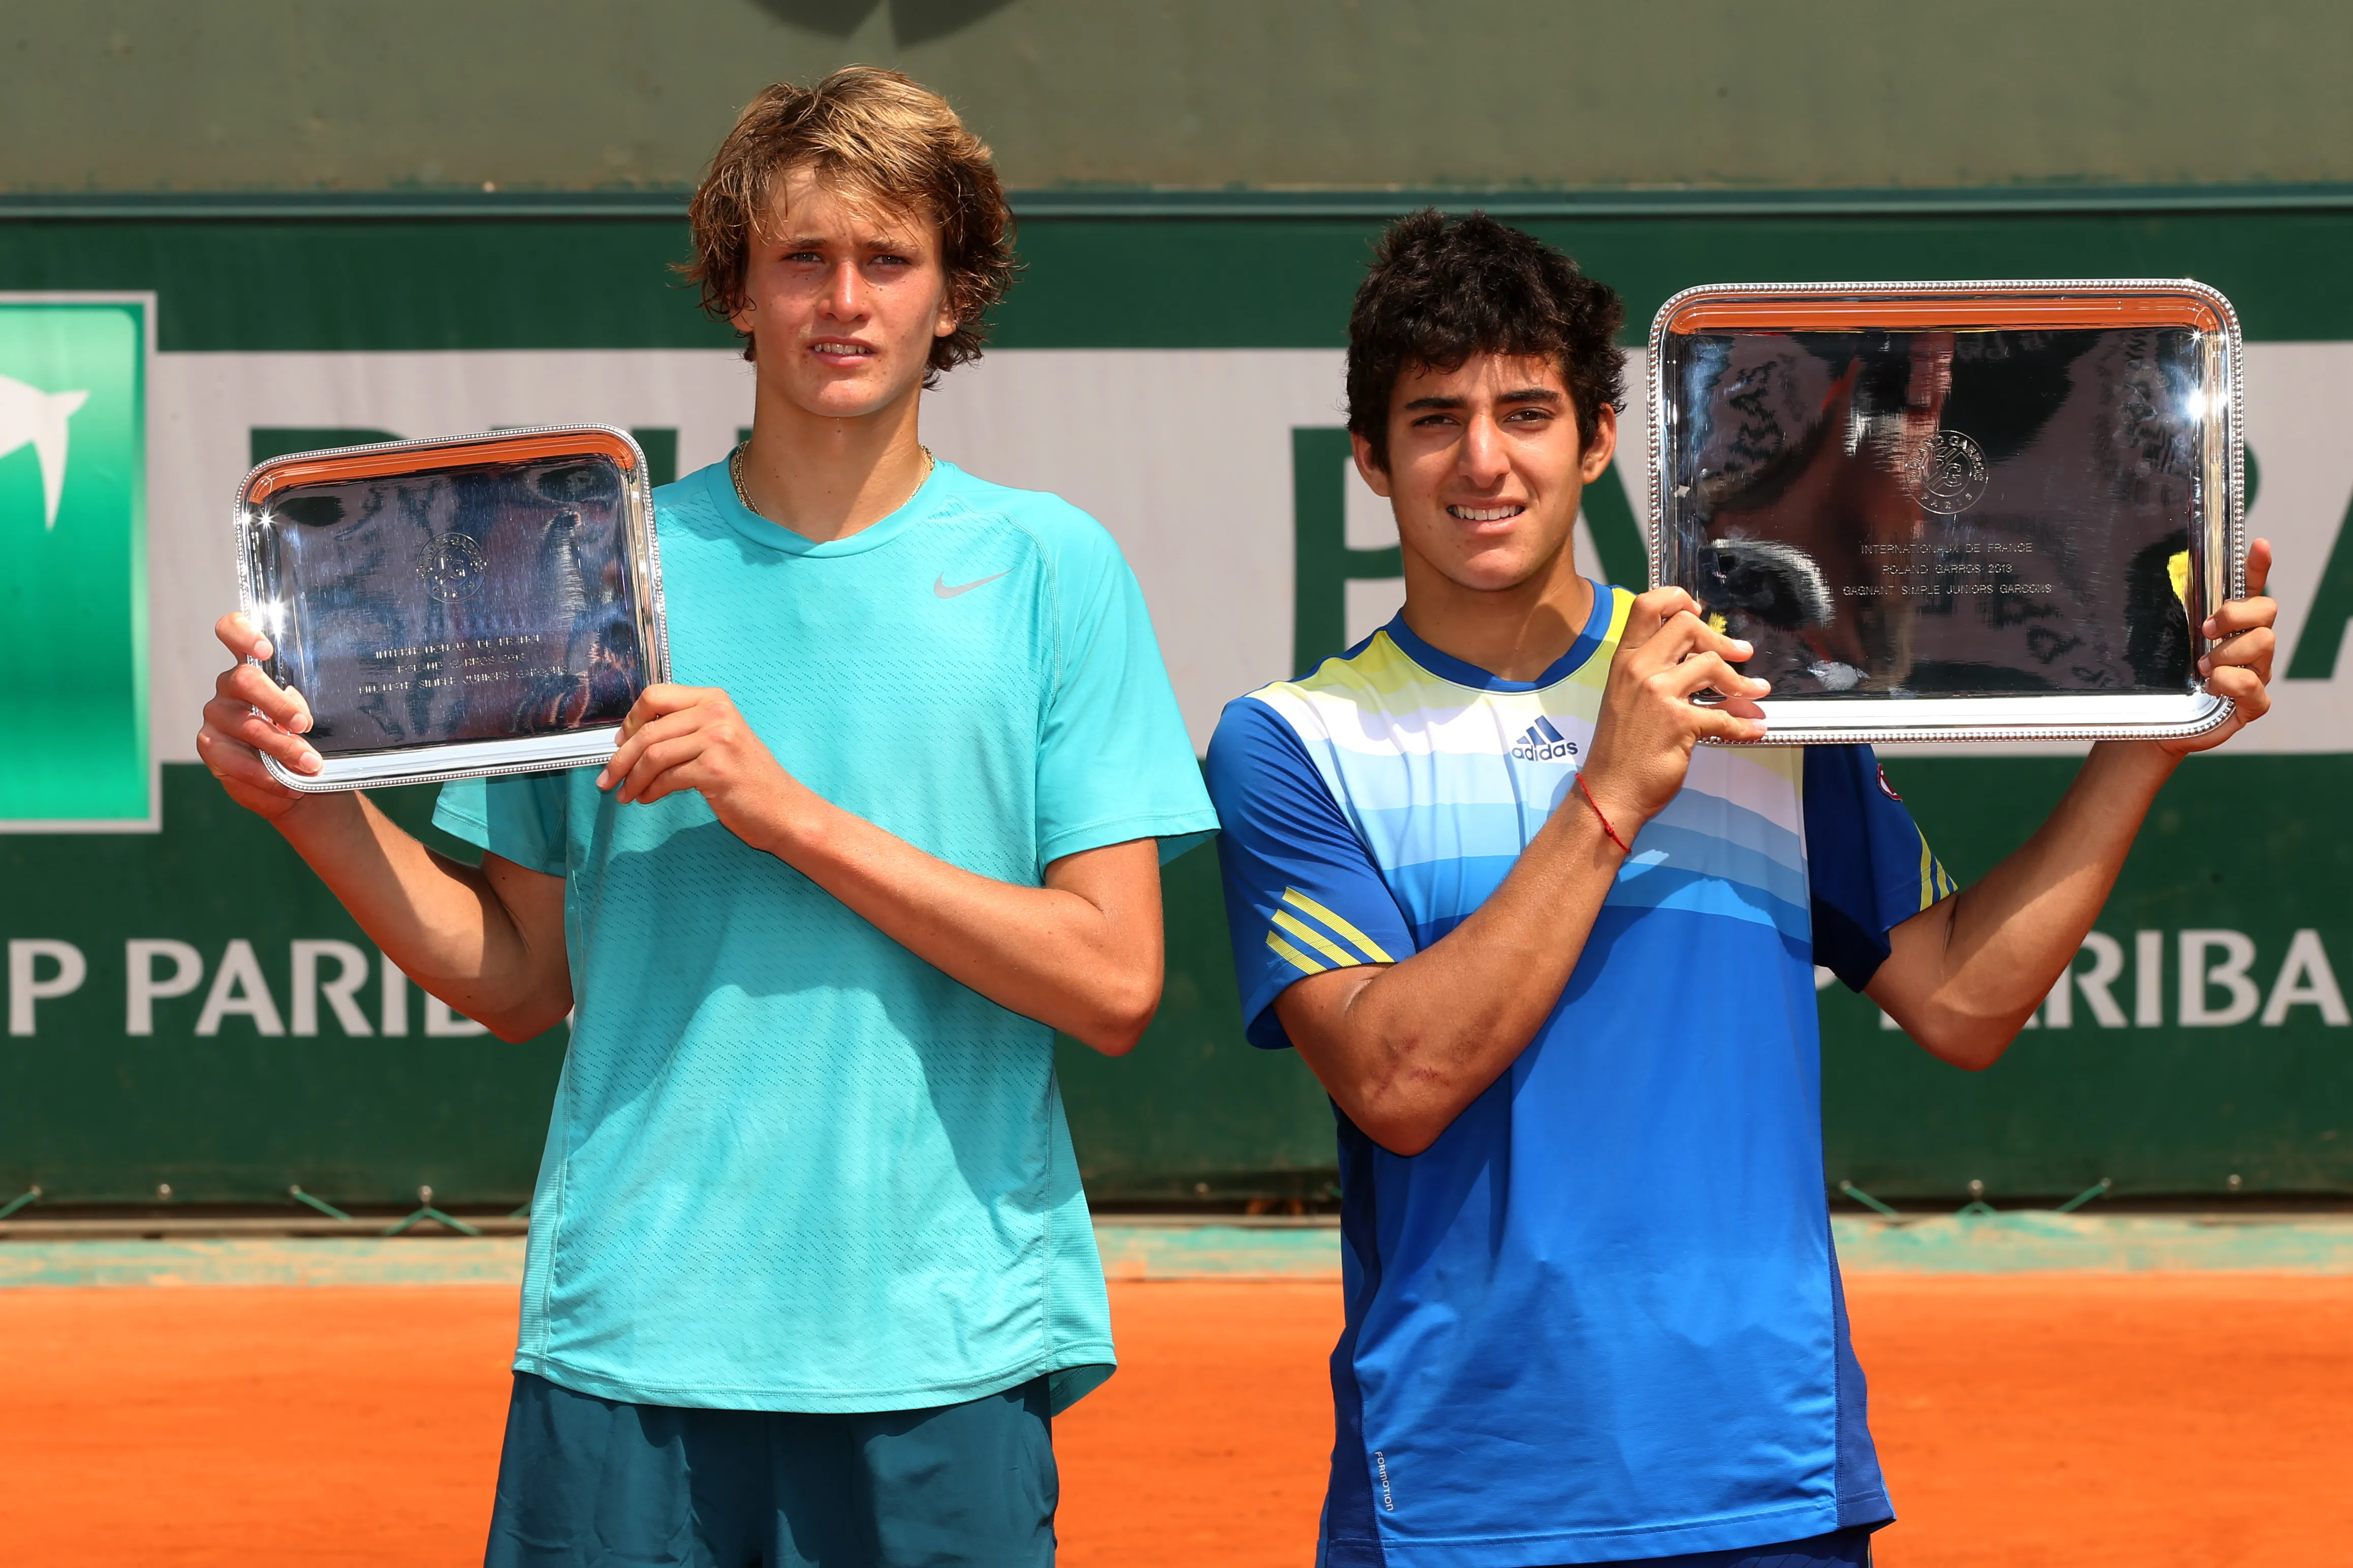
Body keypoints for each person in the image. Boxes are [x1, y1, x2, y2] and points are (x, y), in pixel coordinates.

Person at [199, 68, 1216, 1568]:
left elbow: (1113, 979)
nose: (843, 301)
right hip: (636, 1342)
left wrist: (780, 807)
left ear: (954, 295)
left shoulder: (1050, 568)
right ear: (736, 290)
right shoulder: (596, 570)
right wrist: (307, 812)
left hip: (944, 1339)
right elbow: (515, 977)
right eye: (801, 259)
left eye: (888, 260)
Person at [1203, 210, 2278, 1568]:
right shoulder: (1294, 740)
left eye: (1525, 411)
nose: (1484, 459)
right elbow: (1398, 1081)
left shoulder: (1755, 693)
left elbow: (1960, 998)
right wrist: (1611, 791)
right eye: (1434, 419)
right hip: (1464, 1498)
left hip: (1768, 1476)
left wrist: (2145, 738)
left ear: (1599, 437)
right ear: (1370, 455)